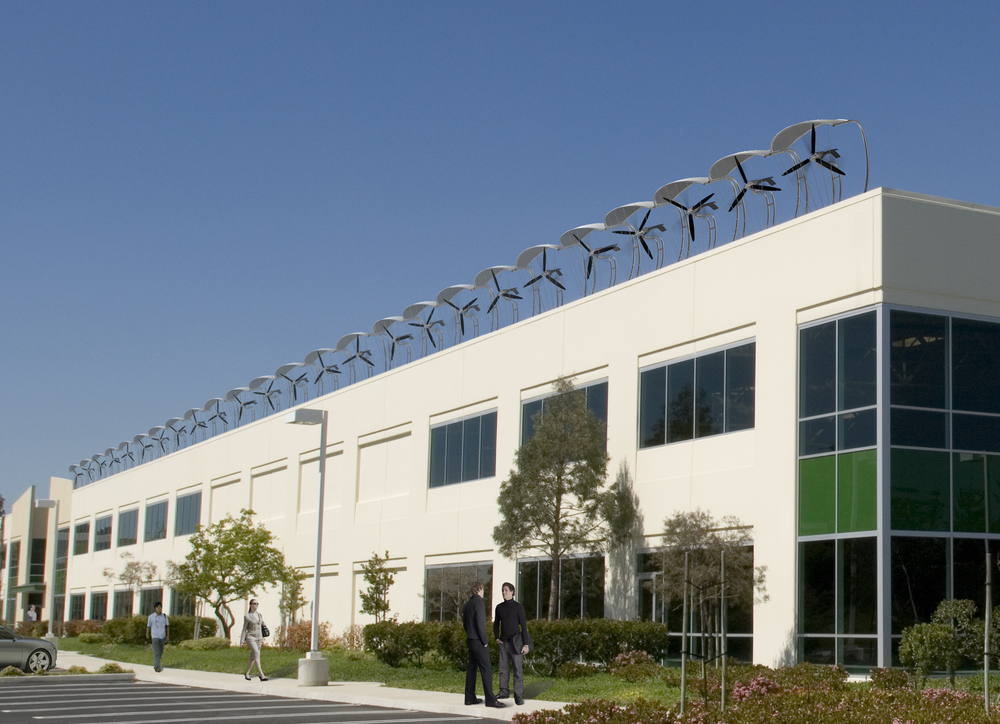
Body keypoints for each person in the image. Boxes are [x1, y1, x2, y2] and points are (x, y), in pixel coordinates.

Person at [462, 581, 504, 708]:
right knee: (486, 669)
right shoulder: (479, 603)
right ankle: (490, 700)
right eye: (483, 590)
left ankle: (469, 698)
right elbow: (481, 625)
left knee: (472, 669)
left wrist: (470, 634)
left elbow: (465, 624)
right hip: (479, 641)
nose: (483, 592)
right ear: (479, 590)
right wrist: (485, 641)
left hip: (470, 639)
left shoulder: (467, 604)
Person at [494, 582, 532, 705]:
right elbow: (496, 624)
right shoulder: (499, 607)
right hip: (503, 643)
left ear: (512, 592)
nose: (504, 593)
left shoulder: (518, 607)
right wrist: (496, 637)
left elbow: (524, 626)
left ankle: (518, 695)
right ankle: (504, 692)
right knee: (503, 669)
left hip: (516, 643)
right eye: (502, 590)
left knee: (517, 670)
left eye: (506, 590)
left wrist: (525, 644)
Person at [239, 598, 268, 681]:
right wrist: (242, 641)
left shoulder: (259, 615)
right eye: (254, 603)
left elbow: (261, 623)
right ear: (251, 605)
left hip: (259, 638)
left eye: (257, 604)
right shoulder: (247, 616)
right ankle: (261, 674)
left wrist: (264, 624)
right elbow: (244, 629)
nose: (256, 605)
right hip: (251, 638)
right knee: (257, 654)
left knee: (253, 657)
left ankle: (247, 673)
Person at [146, 601, 169, 672]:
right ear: (155, 608)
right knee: (156, 652)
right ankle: (157, 667)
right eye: (157, 607)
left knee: (160, 652)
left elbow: (167, 626)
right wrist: (147, 633)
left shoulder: (164, 616)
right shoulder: (151, 617)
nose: (159, 608)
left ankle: (156, 663)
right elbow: (148, 626)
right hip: (155, 636)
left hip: (162, 636)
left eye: (160, 607)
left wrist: (167, 636)